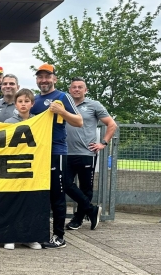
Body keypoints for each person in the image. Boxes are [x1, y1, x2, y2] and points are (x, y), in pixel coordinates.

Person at [30, 63, 83, 249]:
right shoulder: (34, 100)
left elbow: (79, 121)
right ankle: (41, 233)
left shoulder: (62, 97)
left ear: (54, 78)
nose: (44, 80)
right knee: (40, 195)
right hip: (38, 154)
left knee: (57, 195)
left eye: (47, 76)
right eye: (40, 77)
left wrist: (62, 112)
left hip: (56, 152)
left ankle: (59, 236)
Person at [65, 77, 117, 231]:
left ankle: (78, 219)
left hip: (87, 153)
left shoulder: (94, 105)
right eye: (74, 87)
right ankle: (92, 209)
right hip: (66, 153)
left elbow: (111, 124)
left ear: (85, 90)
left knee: (86, 188)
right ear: (69, 90)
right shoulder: (64, 105)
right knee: (65, 184)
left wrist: (103, 143)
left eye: (80, 87)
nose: (77, 89)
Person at [1, 89, 41, 250]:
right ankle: (10, 235)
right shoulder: (9, 123)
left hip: (31, 168)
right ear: (15, 104)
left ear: (32, 104)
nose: (23, 104)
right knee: (11, 202)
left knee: (29, 202)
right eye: (20, 101)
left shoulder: (39, 122)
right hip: (12, 167)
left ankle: (29, 236)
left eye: (26, 101)